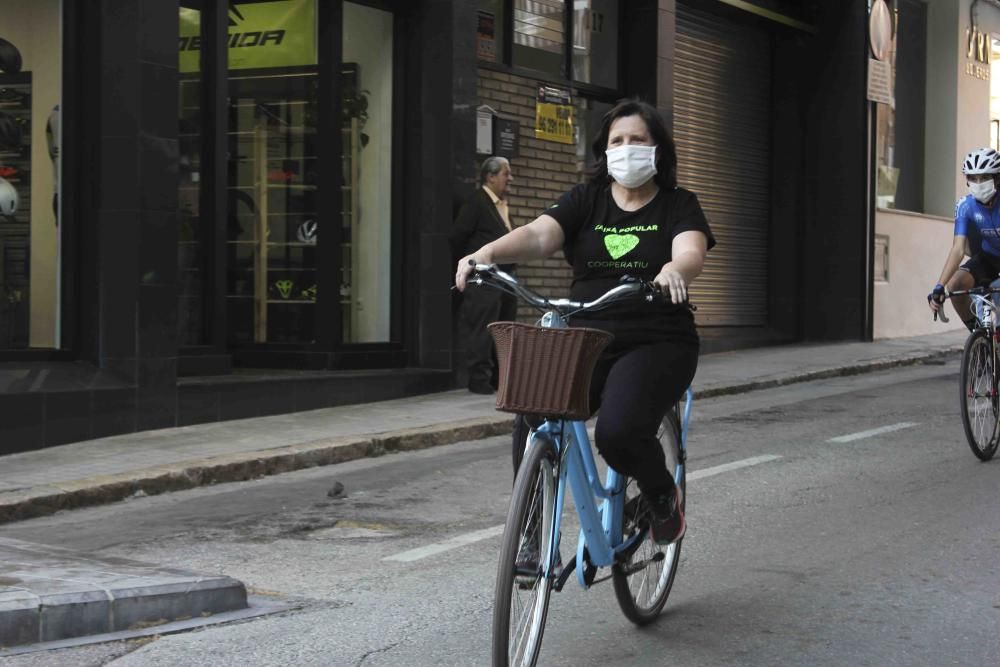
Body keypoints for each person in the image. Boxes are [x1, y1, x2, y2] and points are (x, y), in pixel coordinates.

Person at [455, 99, 715, 545]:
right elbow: (539, 234)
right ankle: (531, 532)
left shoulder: (678, 204)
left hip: (655, 339)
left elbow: (690, 251)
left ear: (657, 150)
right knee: (533, 406)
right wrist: (488, 254)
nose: (626, 148)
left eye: (638, 140)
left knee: (618, 433)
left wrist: (675, 270)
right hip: (586, 335)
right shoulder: (586, 200)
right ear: (604, 150)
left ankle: (660, 494)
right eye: (618, 141)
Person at [451, 156, 519, 394]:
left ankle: (500, 378)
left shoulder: (502, 205)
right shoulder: (476, 202)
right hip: (484, 279)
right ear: (490, 177)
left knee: (504, 328)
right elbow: (459, 236)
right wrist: (470, 265)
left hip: (506, 280)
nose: (510, 178)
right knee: (483, 327)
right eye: (505, 173)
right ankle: (479, 379)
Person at [928, 147, 1000, 330]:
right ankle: (980, 338)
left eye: (984, 177)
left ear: (997, 178)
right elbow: (958, 249)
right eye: (973, 178)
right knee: (955, 285)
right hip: (988, 257)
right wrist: (939, 286)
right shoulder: (965, 206)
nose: (978, 183)